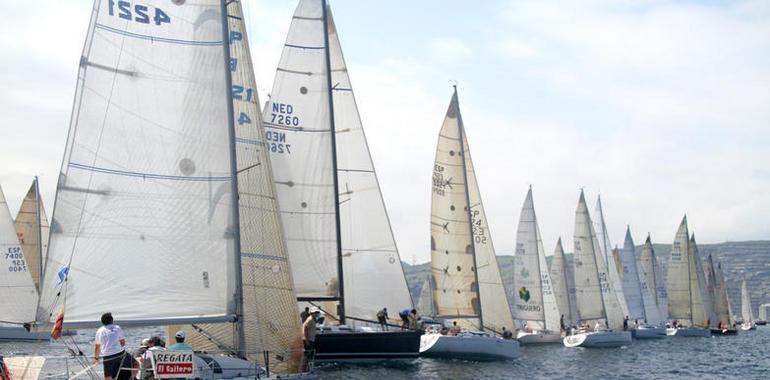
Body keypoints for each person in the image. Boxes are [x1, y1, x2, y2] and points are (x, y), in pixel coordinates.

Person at [94, 312, 131, 380]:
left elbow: (97, 347)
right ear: (112, 320)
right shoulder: (117, 327)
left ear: (102, 322)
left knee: (107, 376)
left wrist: (96, 359)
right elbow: (122, 343)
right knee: (136, 364)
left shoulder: (99, 331)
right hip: (120, 354)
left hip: (107, 356)